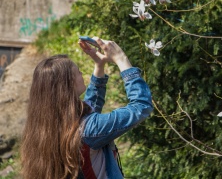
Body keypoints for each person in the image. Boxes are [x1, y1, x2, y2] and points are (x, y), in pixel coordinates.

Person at [20, 37, 153, 179]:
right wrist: (121, 58)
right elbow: (141, 106)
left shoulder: (45, 126)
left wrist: (99, 65)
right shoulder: (89, 130)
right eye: (78, 72)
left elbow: (89, 110)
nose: (82, 74)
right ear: (68, 84)